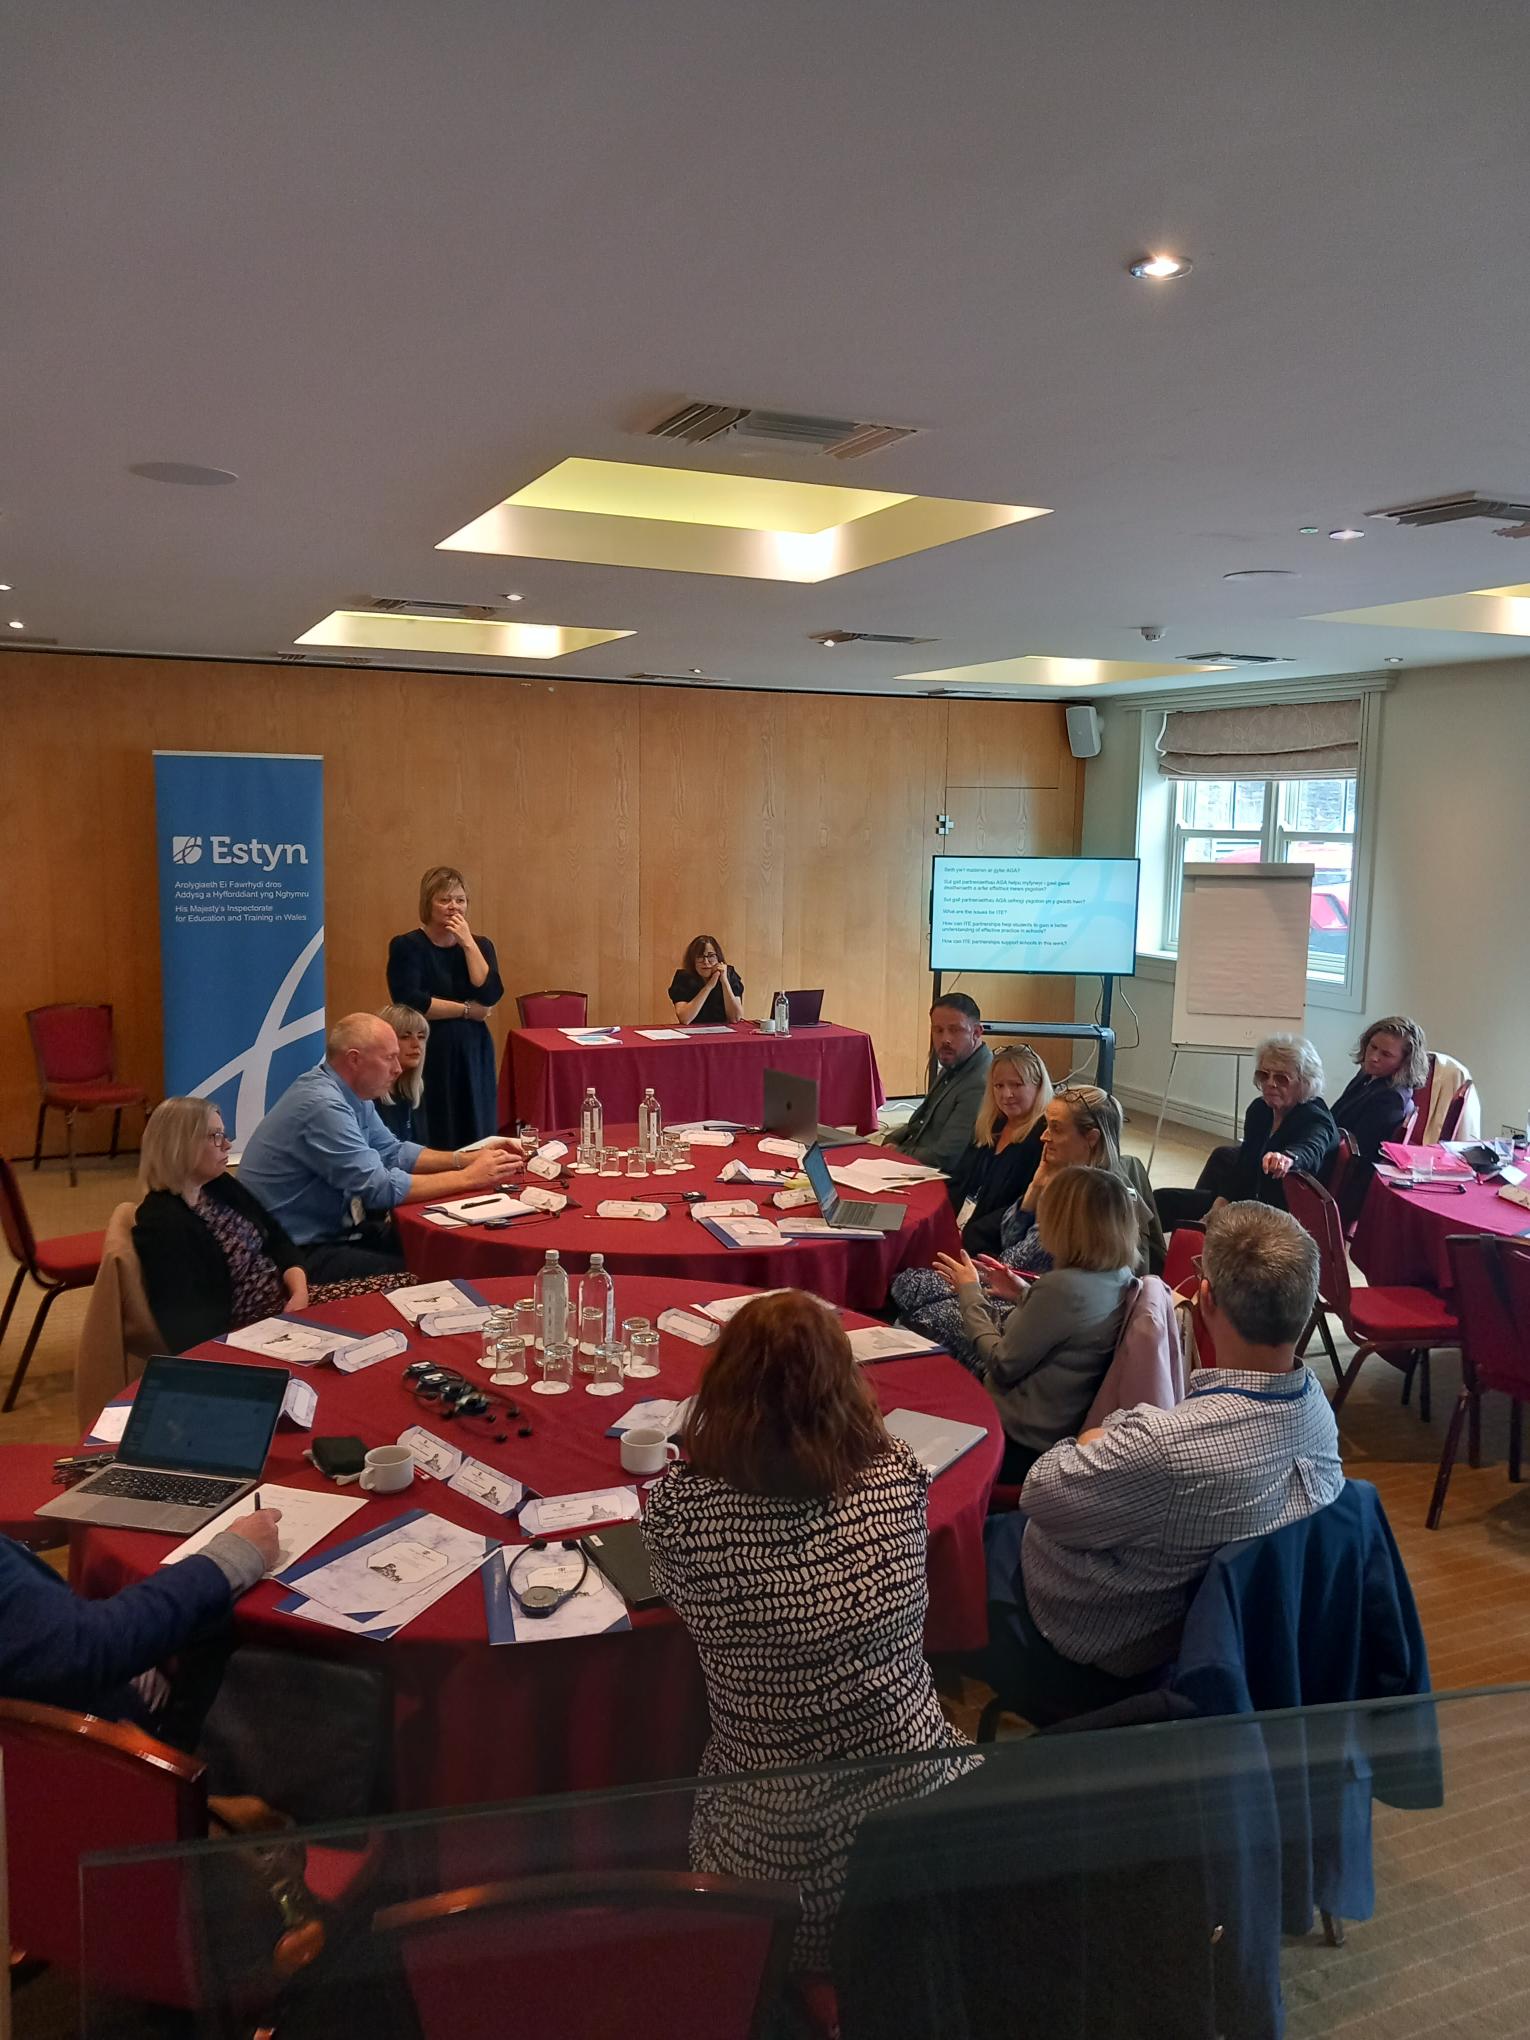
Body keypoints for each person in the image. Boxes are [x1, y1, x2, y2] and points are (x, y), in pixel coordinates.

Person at [643, 1291, 968, 1968]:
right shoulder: (900, 1474)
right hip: (928, 1829)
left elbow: (673, 1596)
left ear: (722, 1391)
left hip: (775, 1870)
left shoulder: (683, 1512)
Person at [980, 1201, 1344, 1725]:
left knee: (980, 1533)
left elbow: (1039, 1493)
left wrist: (1098, 1434)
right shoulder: (1320, 1417)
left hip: (1088, 1642)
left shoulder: (1166, 1445)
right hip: (1208, 1647)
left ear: (1205, 1297)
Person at [890, 1084, 1163, 1363]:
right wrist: (1035, 1188)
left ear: (1091, 1138)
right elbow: (1010, 1239)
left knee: (916, 1303)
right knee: (909, 1285)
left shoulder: (1090, 1205)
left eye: (1056, 1129)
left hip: (1026, 1311)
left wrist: (972, 1286)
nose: (1044, 1136)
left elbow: (1017, 1262)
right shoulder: (1066, 1178)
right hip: (1022, 1290)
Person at [237, 1014, 518, 1279]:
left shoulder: (349, 1093)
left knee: (442, 1249)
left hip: (330, 1233)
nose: (398, 1068)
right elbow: (379, 1189)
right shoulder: (323, 1105)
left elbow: (393, 1152)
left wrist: (465, 1159)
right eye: (389, 1058)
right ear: (354, 1059)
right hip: (294, 1254)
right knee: (427, 1273)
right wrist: (469, 1178)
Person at [0, 1507, 280, 1743]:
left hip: (49, 1697)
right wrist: (234, 1556)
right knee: (217, 1624)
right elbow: (82, 1649)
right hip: (86, 1743)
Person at [933, 1167, 1139, 1483]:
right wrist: (1024, 1294)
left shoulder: (1062, 1287)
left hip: (1013, 1436)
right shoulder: (1120, 1275)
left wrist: (970, 1293)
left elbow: (1001, 1364)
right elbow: (1071, 1324)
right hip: (1054, 1428)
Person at [1154, 1034, 1338, 1233]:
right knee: (1161, 1201)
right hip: (1247, 1203)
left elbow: (1312, 1147)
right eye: (1263, 1075)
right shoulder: (1260, 1110)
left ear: (1305, 1082)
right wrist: (1216, 1209)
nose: (1270, 1083)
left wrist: (1287, 1158)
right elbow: (1243, 1168)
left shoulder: (1315, 1119)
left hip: (1278, 1222)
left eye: (1281, 1078)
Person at [386, 866, 504, 1149]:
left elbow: (489, 993)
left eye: (460, 900)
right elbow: (411, 1001)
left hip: (474, 1048)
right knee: (436, 1122)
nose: (454, 906)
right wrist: (467, 1011)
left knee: (476, 1120)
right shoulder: (407, 946)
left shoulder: (481, 945)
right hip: (429, 1046)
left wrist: (468, 944)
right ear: (428, 903)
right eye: (445, 899)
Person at [943, 1043, 1053, 1257]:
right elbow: (961, 1180)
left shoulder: (1042, 1138)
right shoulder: (992, 1125)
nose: (1006, 1094)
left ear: (1038, 1086)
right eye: (999, 1086)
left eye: (1017, 1085)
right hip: (962, 1230)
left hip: (992, 1247)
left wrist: (967, 1236)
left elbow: (1022, 1211)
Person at [1331, 1015, 1428, 1223]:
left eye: (1386, 1054)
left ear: (1404, 1062)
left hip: (1346, 1185)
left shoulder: (1390, 1099)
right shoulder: (1369, 1076)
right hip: (1335, 1159)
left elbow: (1357, 1156)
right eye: (1373, 1047)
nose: (1374, 1057)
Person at [882, 995, 993, 1171]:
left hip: (938, 1177)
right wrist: (891, 1141)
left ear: (977, 1032)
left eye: (955, 1030)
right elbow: (919, 1123)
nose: (945, 1039)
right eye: (938, 1030)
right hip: (916, 1160)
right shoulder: (956, 1061)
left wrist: (897, 1152)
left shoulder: (980, 1082)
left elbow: (946, 1157)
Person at [376, 1002, 430, 1146]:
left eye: (421, 1036)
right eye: (405, 1037)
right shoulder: (368, 1096)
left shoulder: (415, 1091)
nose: (416, 1044)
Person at [668, 934, 744, 1025]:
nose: (706, 962)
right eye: (700, 957)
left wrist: (724, 981)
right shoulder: (683, 977)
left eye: (711, 956)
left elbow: (735, 1018)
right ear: (692, 960)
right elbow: (685, 1019)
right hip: (693, 1030)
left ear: (718, 958)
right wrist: (709, 986)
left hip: (724, 1030)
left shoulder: (729, 974)